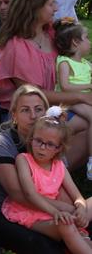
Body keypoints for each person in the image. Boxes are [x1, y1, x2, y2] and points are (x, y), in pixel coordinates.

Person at [0, 0, 91, 168]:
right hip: (31, 114)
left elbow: (76, 55)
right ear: (35, 8)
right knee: (86, 121)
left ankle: (58, 168)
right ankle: (48, 171)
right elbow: (34, 95)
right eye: (51, 3)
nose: (56, 8)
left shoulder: (52, 34)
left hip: (59, 106)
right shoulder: (16, 46)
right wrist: (81, 97)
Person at [0, 85, 78, 253]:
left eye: (38, 109)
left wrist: (78, 210)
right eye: (25, 110)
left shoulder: (52, 139)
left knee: (76, 230)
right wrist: (67, 209)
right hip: (1, 210)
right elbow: (18, 194)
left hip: (43, 209)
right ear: (14, 115)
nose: (33, 116)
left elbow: (61, 185)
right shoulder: (1, 142)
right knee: (45, 246)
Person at [1, 115, 92, 253]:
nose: (42, 147)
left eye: (49, 144)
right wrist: (56, 212)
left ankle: (81, 237)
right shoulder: (24, 160)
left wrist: (81, 208)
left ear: (58, 148)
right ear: (31, 139)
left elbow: (77, 197)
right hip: (31, 213)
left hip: (56, 212)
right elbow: (30, 194)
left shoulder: (59, 166)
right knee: (66, 225)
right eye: (38, 141)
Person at [53, 19, 92, 178]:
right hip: (70, 100)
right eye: (86, 38)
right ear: (75, 42)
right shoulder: (65, 62)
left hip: (84, 99)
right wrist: (89, 86)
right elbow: (65, 86)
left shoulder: (86, 63)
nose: (89, 42)